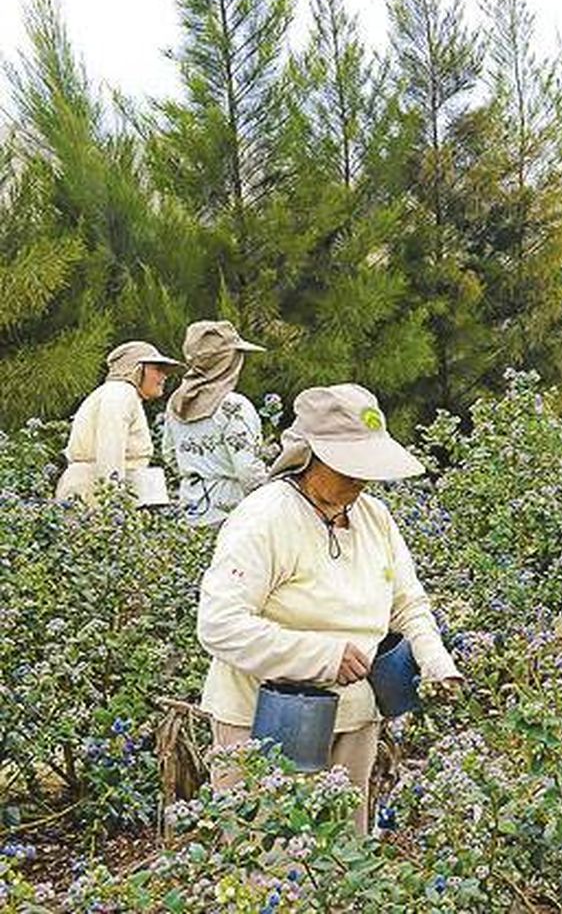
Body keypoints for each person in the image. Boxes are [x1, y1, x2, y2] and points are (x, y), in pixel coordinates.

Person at [196, 384, 461, 833]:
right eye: (349, 466)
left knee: (342, 858)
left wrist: (436, 664)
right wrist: (323, 658)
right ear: (311, 456)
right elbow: (220, 626)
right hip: (265, 718)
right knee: (268, 861)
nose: (361, 480)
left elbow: (407, 604)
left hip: (354, 717)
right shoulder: (265, 518)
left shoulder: (375, 518)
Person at [162, 320, 270, 526]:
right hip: (231, 514)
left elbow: (169, 454)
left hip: (190, 510)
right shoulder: (233, 406)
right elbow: (248, 471)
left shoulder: (176, 401)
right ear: (229, 361)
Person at [55, 341, 181, 506]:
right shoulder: (120, 394)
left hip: (93, 489)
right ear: (137, 369)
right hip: (94, 494)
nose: (164, 376)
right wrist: (112, 503)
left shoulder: (120, 394)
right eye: (158, 369)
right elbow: (110, 452)